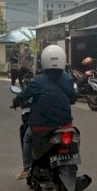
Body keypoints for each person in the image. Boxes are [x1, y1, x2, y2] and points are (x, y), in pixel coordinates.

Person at [12, 45, 77, 179]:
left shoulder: (38, 80)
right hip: (64, 125)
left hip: (41, 126)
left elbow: (23, 95)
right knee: (74, 137)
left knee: (27, 138)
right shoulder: (68, 79)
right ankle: (72, 166)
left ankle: (27, 167)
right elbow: (73, 98)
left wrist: (15, 102)